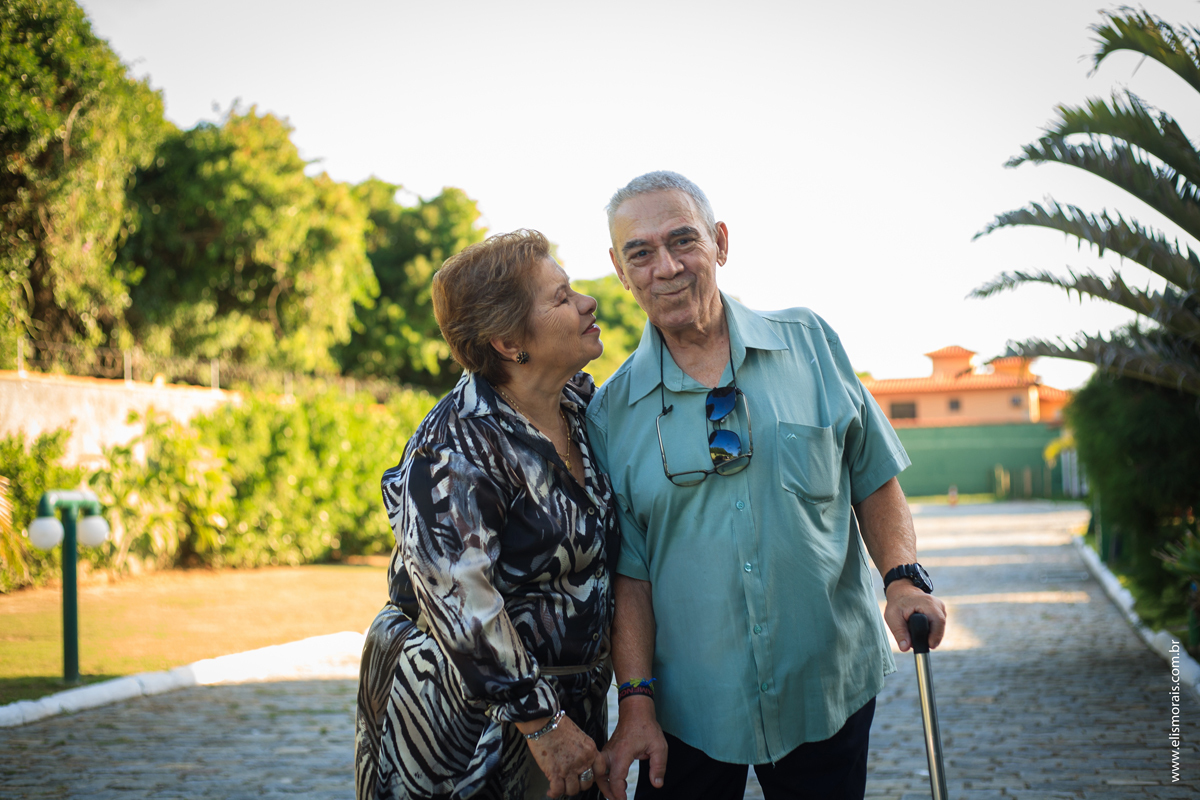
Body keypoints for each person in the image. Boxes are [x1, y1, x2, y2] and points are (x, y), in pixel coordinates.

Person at [585, 172, 948, 800]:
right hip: (689, 710)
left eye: (682, 240)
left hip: (824, 684)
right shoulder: (610, 413)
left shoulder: (808, 343)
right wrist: (636, 703)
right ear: (619, 270)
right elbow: (631, 574)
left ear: (720, 242)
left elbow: (873, 478)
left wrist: (902, 577)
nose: (665, 266)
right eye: (639, 253)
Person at [354, 229, 620, 800]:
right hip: (467, 723)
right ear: (506, 340)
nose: (587, 302)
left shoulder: (582, 409)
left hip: (570, 705)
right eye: (561, 297)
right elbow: (462, 603)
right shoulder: (454, 446)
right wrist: (541, 724)